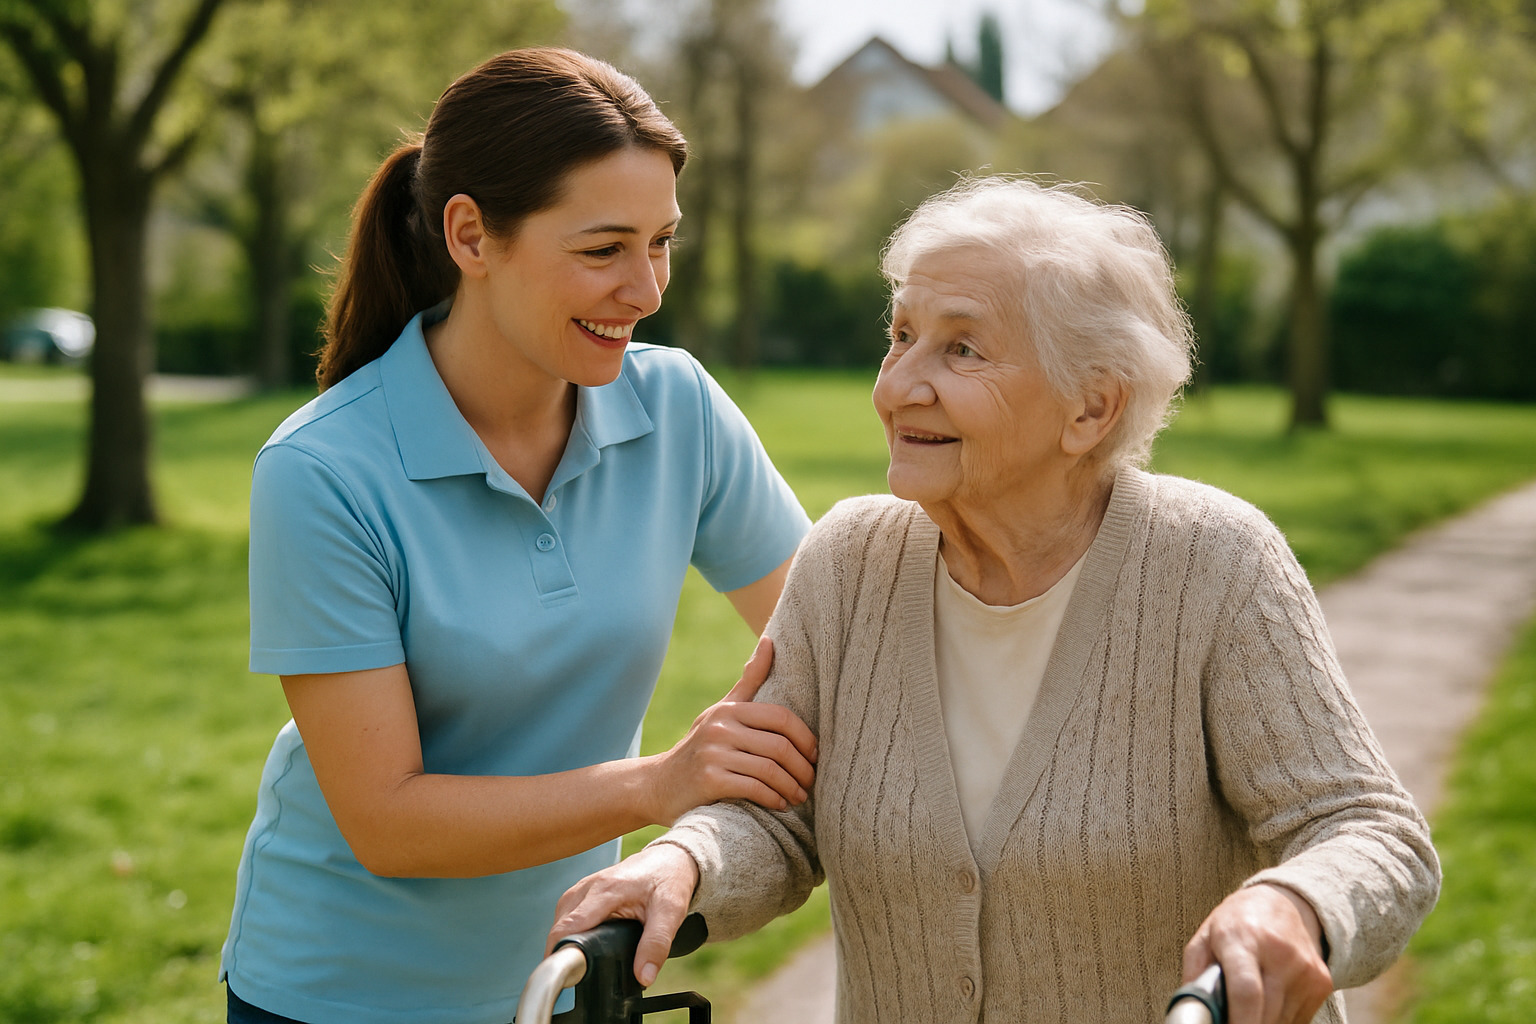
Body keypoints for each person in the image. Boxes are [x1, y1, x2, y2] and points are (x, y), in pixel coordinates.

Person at [549, 178, 1441, 1024]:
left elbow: (1369, 832)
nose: (897, 387)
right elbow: (778, 819)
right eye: (900, 336)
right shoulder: (850, 562)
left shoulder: (1212, 565)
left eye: (962, 349)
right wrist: (684, 861)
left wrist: (1294, 903)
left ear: (1090, 409)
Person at [219, 48, 820, 1024]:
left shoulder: (679, 411)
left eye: (661, 242)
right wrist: (660, 783)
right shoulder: (323, 470)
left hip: (570, 974)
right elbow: (389, 821)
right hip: (339, 995)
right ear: (470, 234)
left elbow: (835, 635)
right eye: (603, 249)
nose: (647, 287)